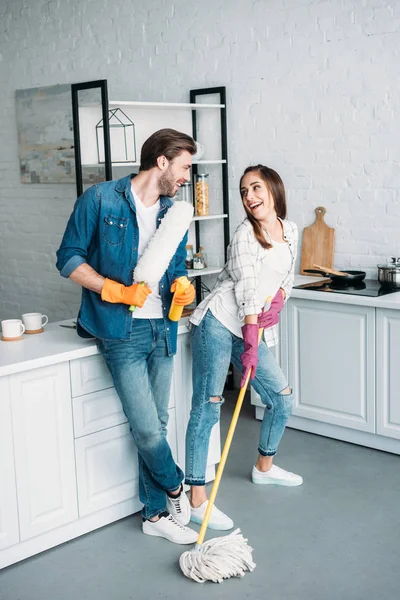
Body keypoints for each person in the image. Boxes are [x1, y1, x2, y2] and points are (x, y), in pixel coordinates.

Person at [56, 128, 199, 544]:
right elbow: (68, 258)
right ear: (161, 162)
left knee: (157, 420)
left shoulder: (174, 213)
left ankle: (154, 515)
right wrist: (112, 289)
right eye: (185, 167)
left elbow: (174, 266)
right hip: (121, 330)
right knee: (147, 429)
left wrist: (182, 284)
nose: (187, 176)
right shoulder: (100, 200)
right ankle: (175, 487)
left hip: (164, 327)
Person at [185, 164, 302, 531]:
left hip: (247, 328)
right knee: (208, 407)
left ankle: (264, 468)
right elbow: (248, 291)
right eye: (243, 191)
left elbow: (286, 276)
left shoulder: (290, 230)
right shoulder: (244, 235)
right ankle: (196, 500)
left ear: (273, 188)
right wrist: (251, 341)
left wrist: (282, 298)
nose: (249, 197)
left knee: (281, 398)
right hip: (219, 324)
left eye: (255, 188)